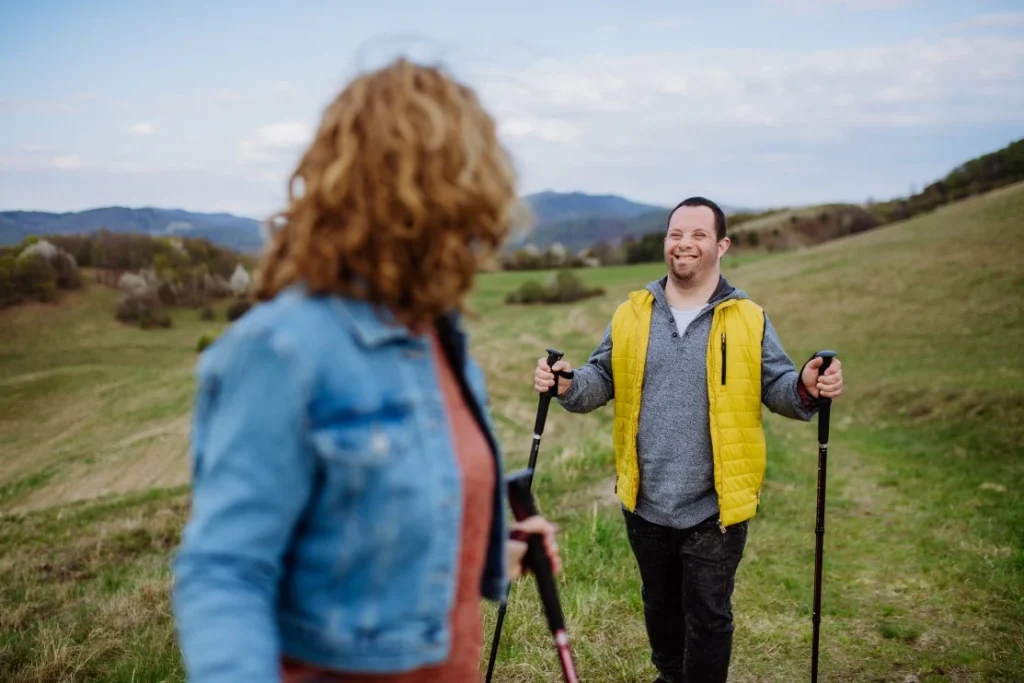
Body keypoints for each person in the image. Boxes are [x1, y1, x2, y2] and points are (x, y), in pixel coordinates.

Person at [171, 58, 561, 683]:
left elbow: (397, 518)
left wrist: (496, 550)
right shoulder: (282, 351)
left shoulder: (438, 338)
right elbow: (225, 574)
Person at [533, 196, 844, 683]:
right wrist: (567, 384)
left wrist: (805, 386)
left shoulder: (748, 318)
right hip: (645, 499)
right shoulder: (632, 313)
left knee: (708, 615)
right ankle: (670, 675)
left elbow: (779, 388)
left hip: (715, 505)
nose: (685, 244)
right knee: (660, 606)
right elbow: (601, 378)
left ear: (722, 245)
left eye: (699, 234)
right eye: (676, 234)